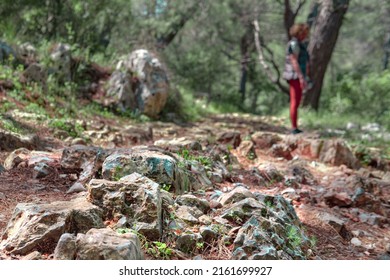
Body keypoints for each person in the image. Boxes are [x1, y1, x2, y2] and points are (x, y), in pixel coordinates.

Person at [283, 23, 311, 134]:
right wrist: (300, 77)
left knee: (298, 101)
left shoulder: (301, 44)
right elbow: (294, 60)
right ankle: (293, 127)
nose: (305, 35)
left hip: (299, 76)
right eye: (303, 33)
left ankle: (295, 126)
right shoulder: (294, 44)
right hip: (294, 76)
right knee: (294, 101)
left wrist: (306, 76)